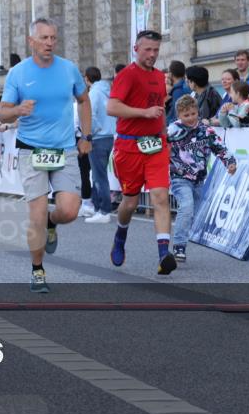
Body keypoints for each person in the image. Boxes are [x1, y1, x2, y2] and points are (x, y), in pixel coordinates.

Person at [0, 18, 91, 293]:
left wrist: (86, 136)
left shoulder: (68, 69)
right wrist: (17, 110)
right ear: (31, 41)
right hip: (31, 149)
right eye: (44, 38)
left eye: (53, 38)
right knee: (36, 214)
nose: (50, 43)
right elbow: (2, 111)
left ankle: (54, 221)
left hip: (64, 148)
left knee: (70, 210)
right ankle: (37, 269)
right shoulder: (17, 73)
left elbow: (84, 100)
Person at [107, 29, 178, 275]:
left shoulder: (159, 76)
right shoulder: (127, 75)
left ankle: (163, 255)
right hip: (129, 147)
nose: (152, 54)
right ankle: (120, 235)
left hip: (156, 145)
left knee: (160, 196)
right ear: (136, 49)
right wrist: (143, 113)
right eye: (147, 49)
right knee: (130, 201)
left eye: (156, 50)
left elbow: (157, 106)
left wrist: (161, 129)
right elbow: (112, 107)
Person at [167, 95, 237, 262]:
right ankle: (179, 245)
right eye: (186, 115)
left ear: (197, 112)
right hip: (179, 177)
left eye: (193, 114)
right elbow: (159, 145)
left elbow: (219, 146)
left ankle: (183, 234)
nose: (190, 118)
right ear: (179, 115)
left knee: (195, 212)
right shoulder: (173, 131)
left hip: (199, 179)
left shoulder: (206, 130)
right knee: (187, 205)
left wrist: (229, 162)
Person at [85, 66, 116, 224]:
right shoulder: (108, 90)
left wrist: (90, 132)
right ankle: (97, 208)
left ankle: (104, 210)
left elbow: (91, 114)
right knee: (99, 175)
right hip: (110, 135)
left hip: (99, 136)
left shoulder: (94, 93)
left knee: (99, 176)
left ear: (87, 78)